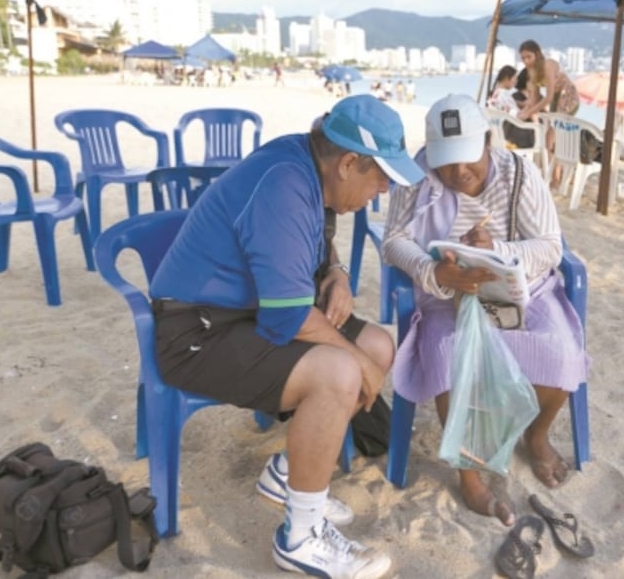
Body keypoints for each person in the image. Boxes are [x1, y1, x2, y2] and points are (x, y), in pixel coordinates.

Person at [149, 94, 424, 578]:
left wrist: (337, 271)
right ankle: (301, 538)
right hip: (197, 331)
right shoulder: (283, 184)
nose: (381, 191)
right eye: (379, 176)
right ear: (349, 163)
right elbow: (289, 319)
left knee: (378, 343)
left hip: (245, 311)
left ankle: (286, 473)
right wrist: (358, 365)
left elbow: (317, 237)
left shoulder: (309, 164)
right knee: (343, 369)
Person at [382, 94, 590, 527]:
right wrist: (433, 270)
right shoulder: (416, 175)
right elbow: (394, 240)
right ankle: (471, 476)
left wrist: (498, 251)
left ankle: (536, 437)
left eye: (467, 159)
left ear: (489, 141)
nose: (458, 173)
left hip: (519, 290)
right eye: (446, 161)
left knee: (562, 354)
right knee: (448, 358)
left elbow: (551, 245)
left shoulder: (520, 173)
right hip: (446, 294)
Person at [517, 39, 581, 185]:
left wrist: (528, 113)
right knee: (551, 139)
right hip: (555, 101)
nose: (526, 61)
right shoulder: (531, 71)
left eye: (529, 57)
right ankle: (558, 176)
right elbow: (534, 98)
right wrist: (523, 111)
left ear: (537, 54)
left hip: (568, 97)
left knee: (552, 136)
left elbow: (549, 96)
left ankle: (558, 177)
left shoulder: (548, 64)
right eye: (523, 58)